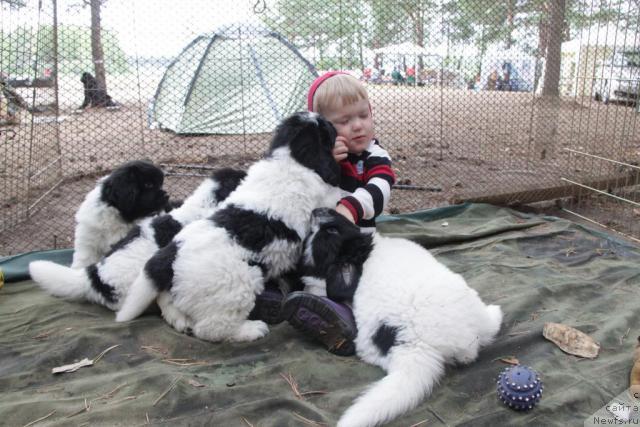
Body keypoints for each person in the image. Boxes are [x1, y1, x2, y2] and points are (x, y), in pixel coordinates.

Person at [280, 71, 396, 356]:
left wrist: (351, 208)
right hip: (309, 239)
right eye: (344, 121)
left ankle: (334, 313)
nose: (358, 126)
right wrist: (323, 160)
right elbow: (292, 179)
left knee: (349, 278)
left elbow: (381, 187)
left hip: (351, 241)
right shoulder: (318, 152)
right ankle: (278, 294)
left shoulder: (374, 154)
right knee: (286, 258)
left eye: (363, 115)